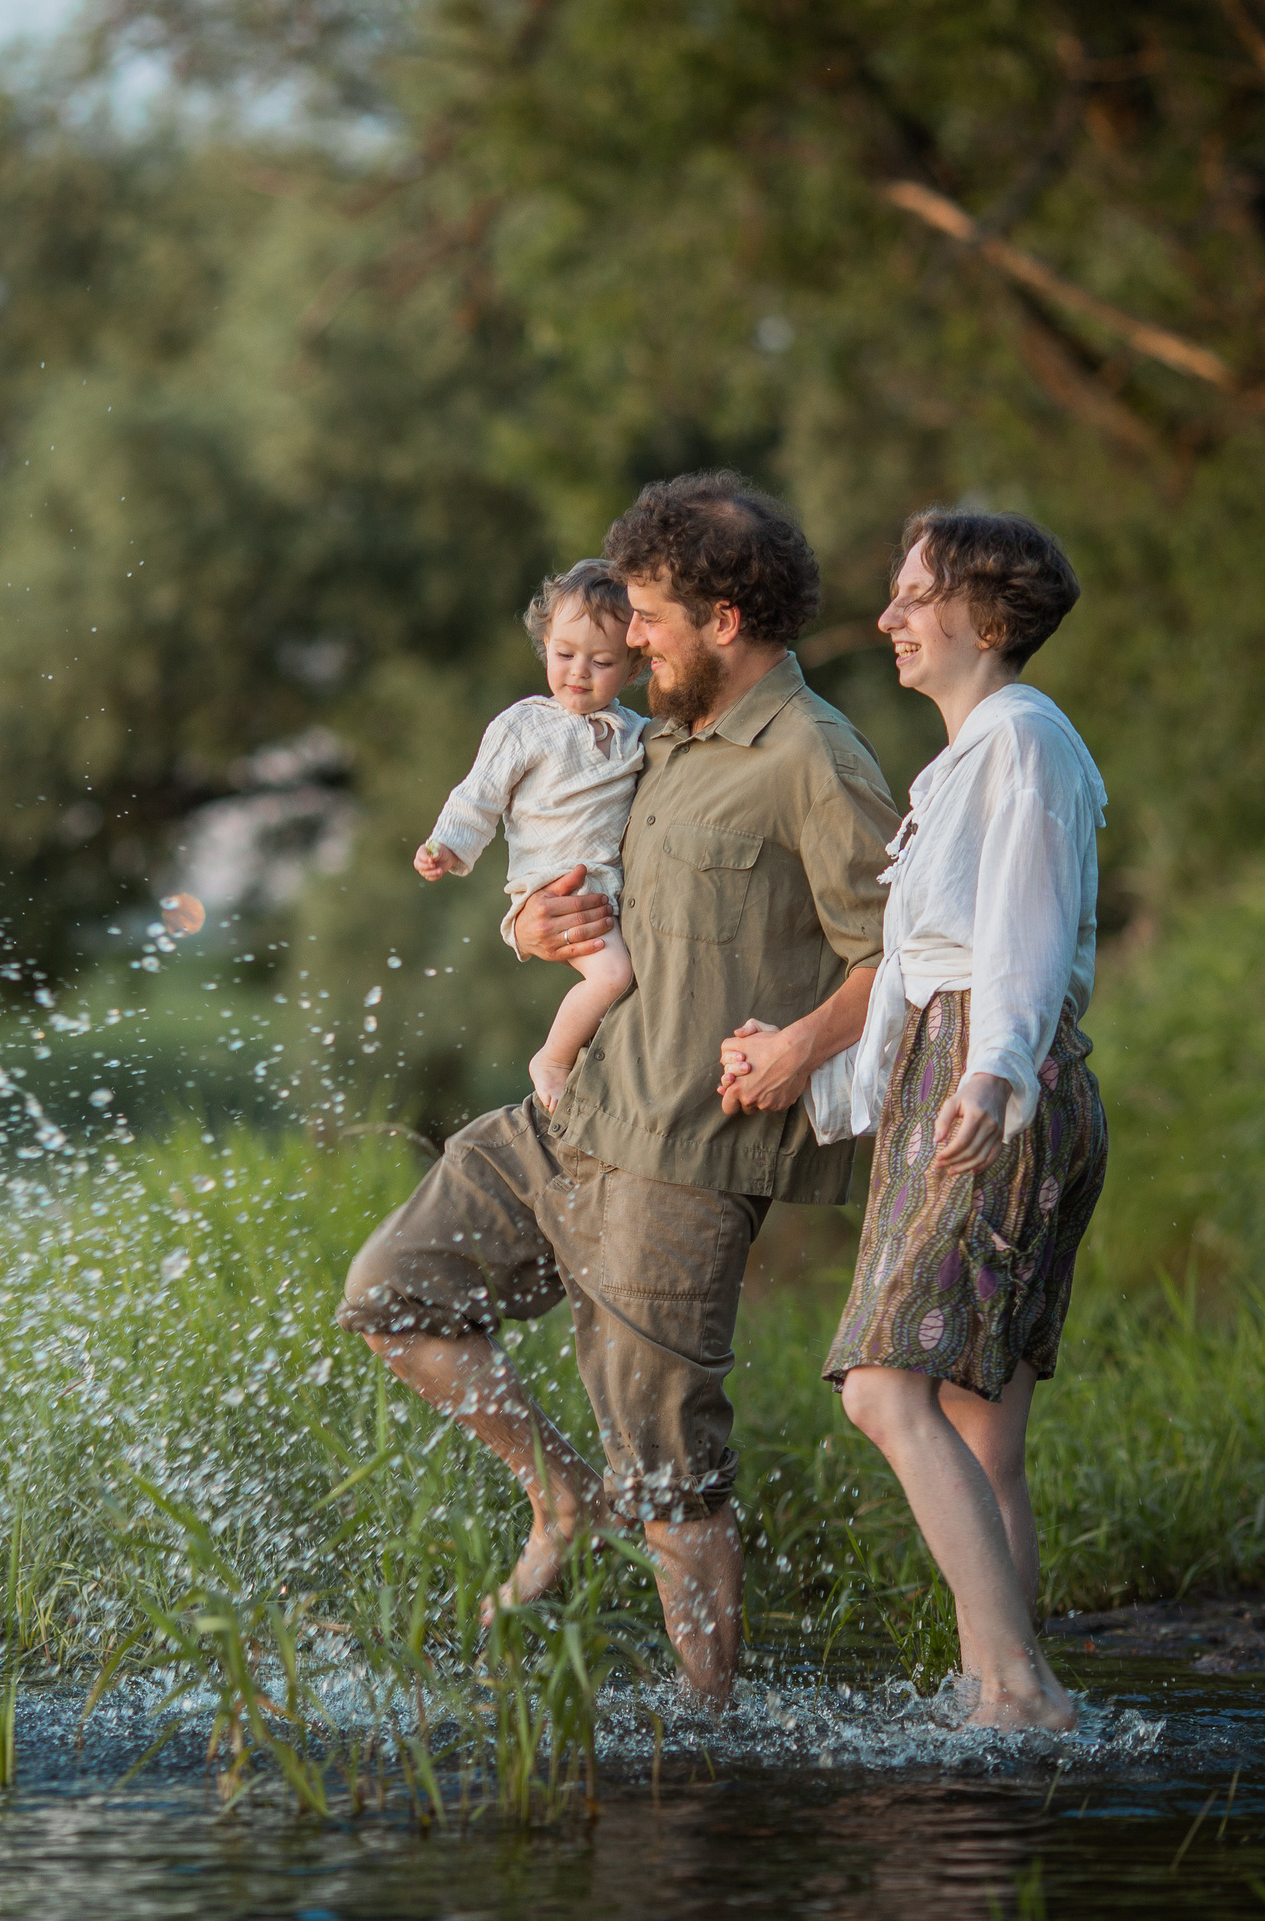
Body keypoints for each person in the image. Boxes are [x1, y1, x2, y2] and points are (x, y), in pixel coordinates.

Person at [338, 471, 900, 1706]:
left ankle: (710, 1739)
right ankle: (556, 1494)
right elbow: (566, 875)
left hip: (682, 1160)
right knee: (394, 1295)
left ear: (726, 620)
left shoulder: (816, 759)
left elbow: (902, 955)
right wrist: (526, 927)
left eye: (648, 614)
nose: (626, 634)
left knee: (670, 1467)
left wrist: (803, 1045)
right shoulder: (656, 739)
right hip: (563, 1118)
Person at [740, 508, 1106, 1731]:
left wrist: (993, 1073)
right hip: (957, 1072)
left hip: (995, 1076)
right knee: (974, 1429)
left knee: (880, 1387)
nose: (887, 619)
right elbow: (910, 969)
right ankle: (994, 1695)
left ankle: (1017, 1687)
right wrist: (821, 1076)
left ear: (983, 616)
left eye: (911, 597)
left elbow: (1027, 929)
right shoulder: (962, 759)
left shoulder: (1022, 739)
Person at [414, 560, 647, 1111]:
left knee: (633, 978)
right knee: (615, 974)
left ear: (635, 667)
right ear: (546, 642)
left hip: (610, 887)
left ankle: (609, 1085)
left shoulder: (637, 733)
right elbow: (478, 795)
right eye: (565, 654)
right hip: (554, 886)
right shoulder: (524, 726)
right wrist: (445, 846)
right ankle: (553, 1057)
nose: (579, 672)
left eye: (603, 660)